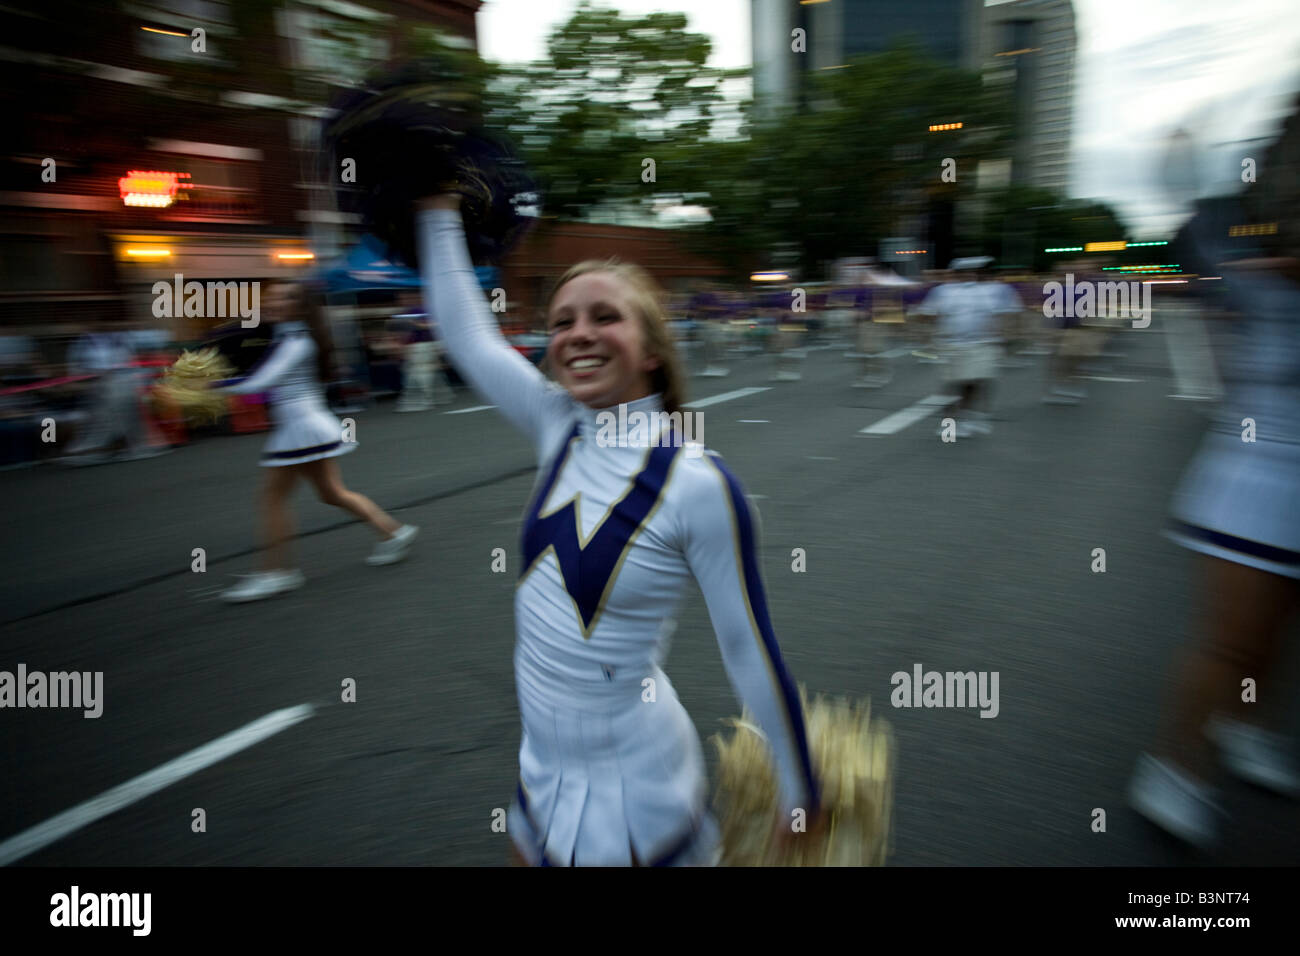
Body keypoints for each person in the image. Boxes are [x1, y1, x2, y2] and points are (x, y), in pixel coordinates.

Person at [417, 194, 821, 866]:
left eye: (606, 317)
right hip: (539, 768)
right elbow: (465, 335)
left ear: (653, 351)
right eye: (562, 321)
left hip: (636, 790)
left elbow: (748, 648)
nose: (579, 333)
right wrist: (436, 207)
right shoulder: (557, 425)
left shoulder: (697, 484)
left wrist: (798, 787)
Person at [1128, 102, 1300, 848]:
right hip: (1252, 477)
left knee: (1273, 636)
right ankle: (1173, 770)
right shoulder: (1242, 268)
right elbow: (1190, 253)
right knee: (1229, 641)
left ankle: (1243, 726)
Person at [216, 280, 418, 603]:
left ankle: (276, 573)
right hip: (306, 427)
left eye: (281, 298)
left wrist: (212, 386)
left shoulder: (296, 341)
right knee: (331, 493)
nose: (272, 302)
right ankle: (394, 531)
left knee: (271, 499)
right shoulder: (285, 337)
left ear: (298, 307)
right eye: (271, 296)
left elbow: (263, 382)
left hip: (300, 430)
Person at [915, 257, 1013, 436]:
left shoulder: (995, 290)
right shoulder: (942, 291)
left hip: (982, 344)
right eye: (964, 272)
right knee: (951, 385)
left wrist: (1005, 338)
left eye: (974, 271)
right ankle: (950, 425)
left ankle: (974, 417)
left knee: (975, 381)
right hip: (951, 344)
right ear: (956, 274)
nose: (970, 275)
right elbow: (926, 313)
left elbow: (1006, 314)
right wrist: (929, 331)